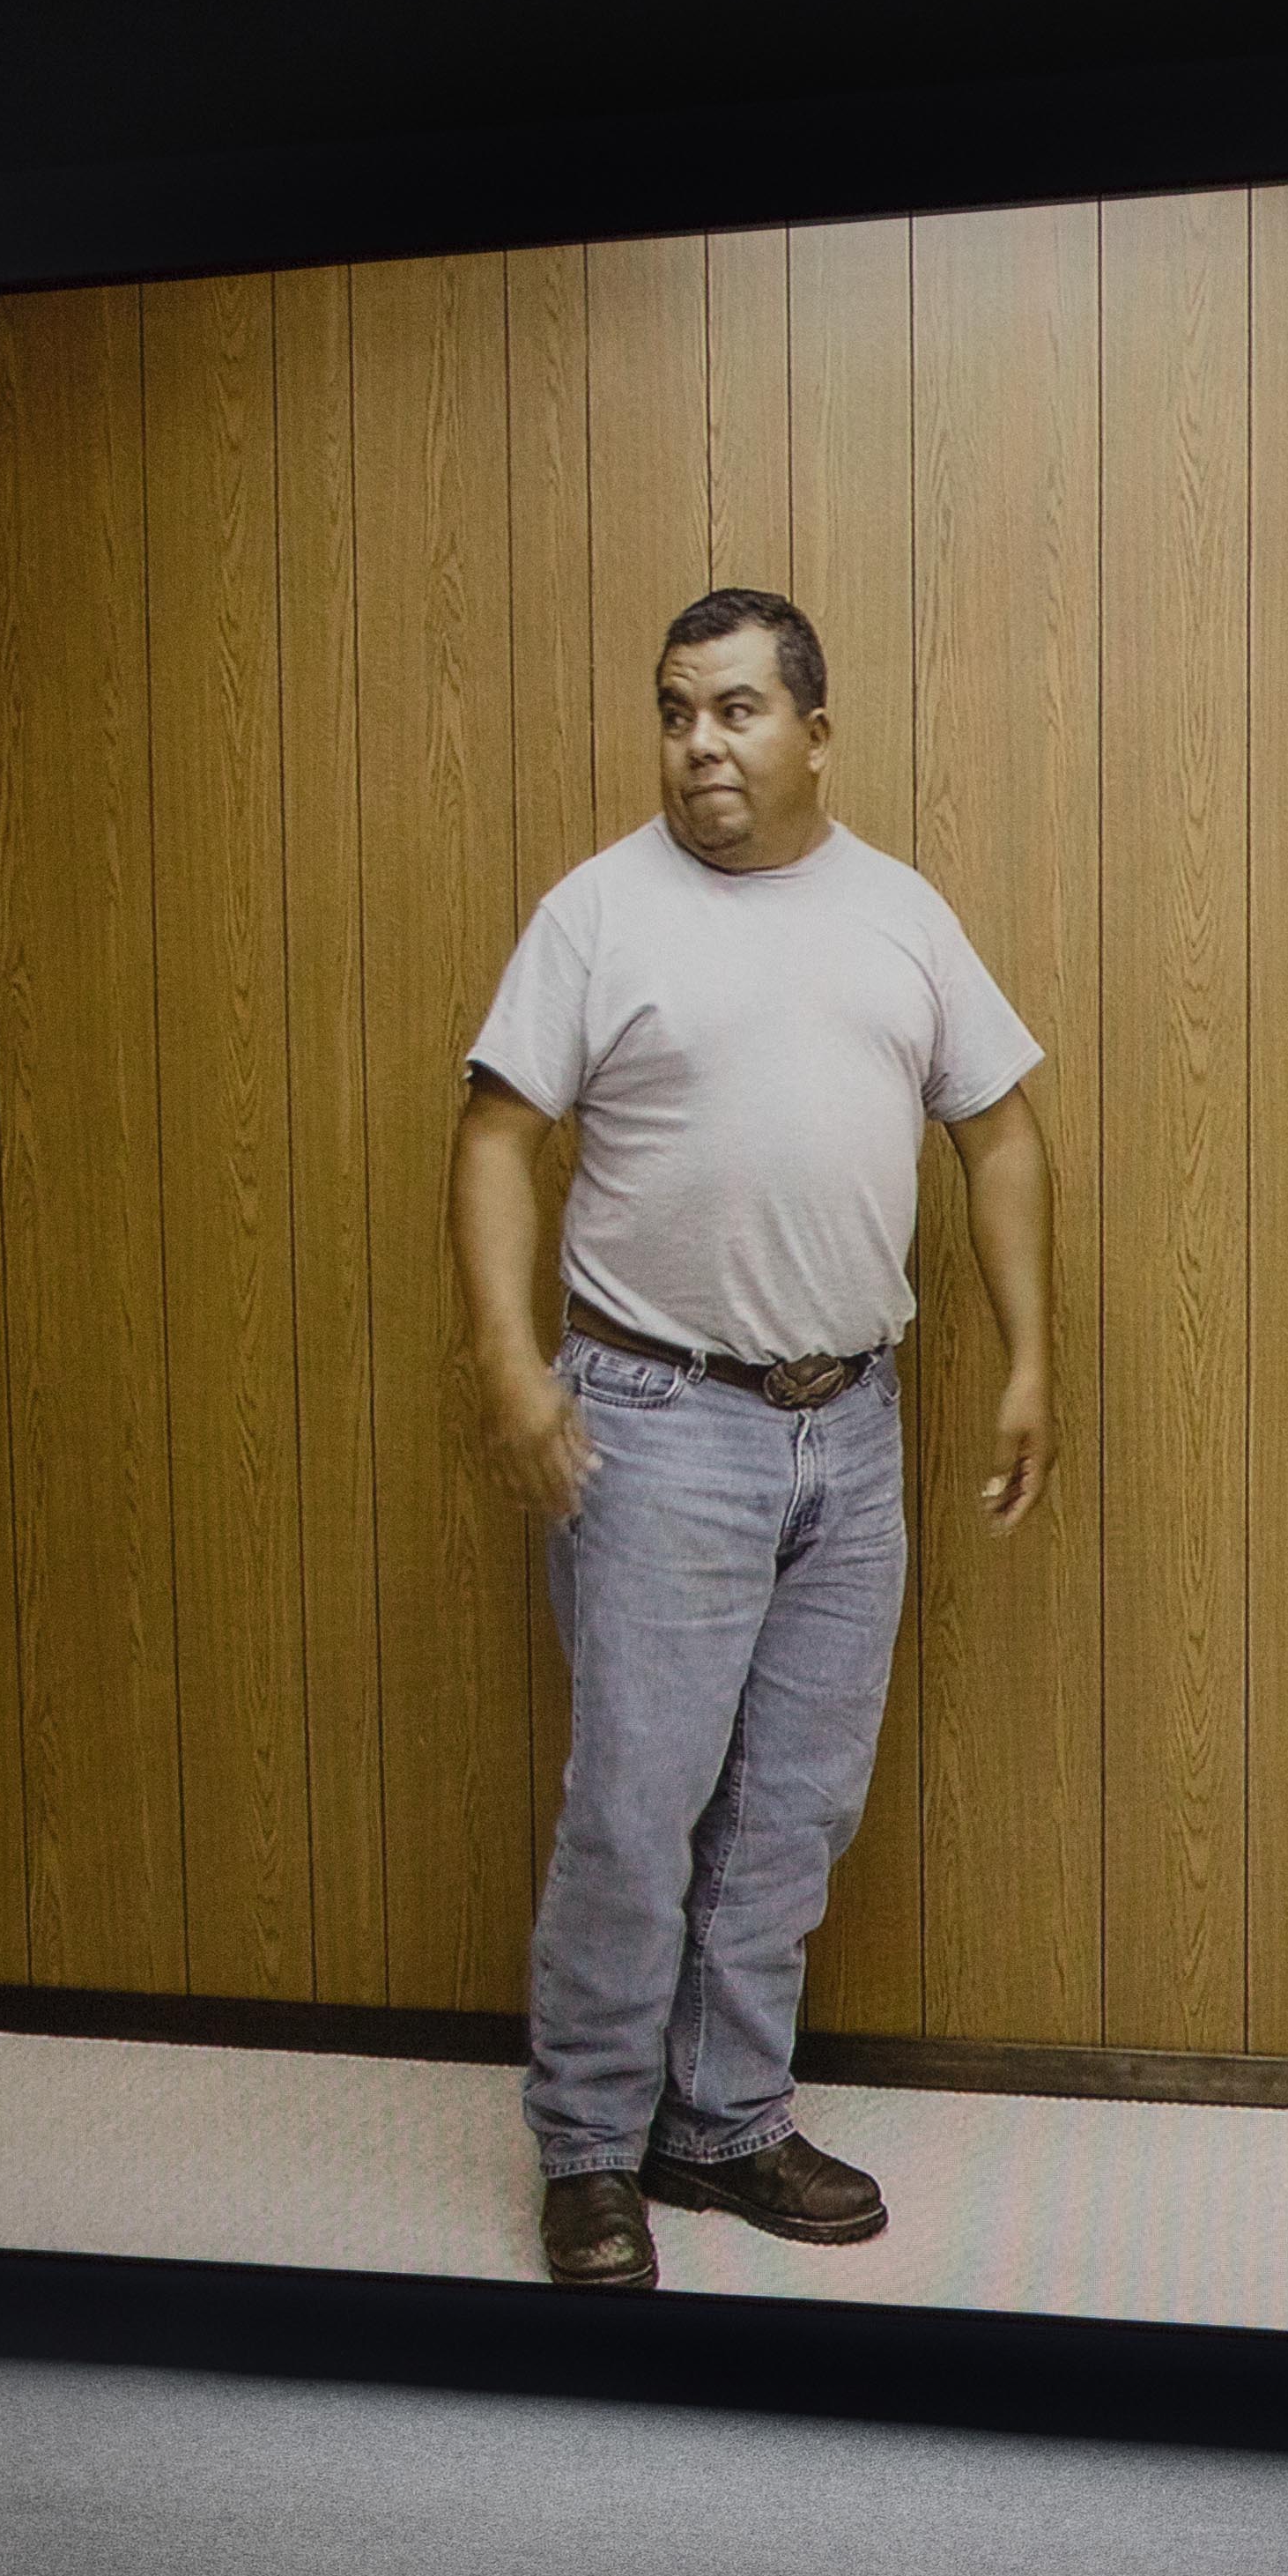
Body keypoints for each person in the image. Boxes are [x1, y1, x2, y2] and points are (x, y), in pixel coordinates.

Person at [448, 584, 1053, 2289]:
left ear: (814, 731)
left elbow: (1001, 1134)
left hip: (847, 1431)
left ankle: (721, 2123)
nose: (699, 744)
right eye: (673, 711)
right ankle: (588, 2147)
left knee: (793, 1809)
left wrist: (1029, 1359)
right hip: (654, 1422)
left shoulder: (902, 916)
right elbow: (495, 1143)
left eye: (734, 710)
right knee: (635, 1812)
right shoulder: (596, 915)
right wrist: (511, 1368)